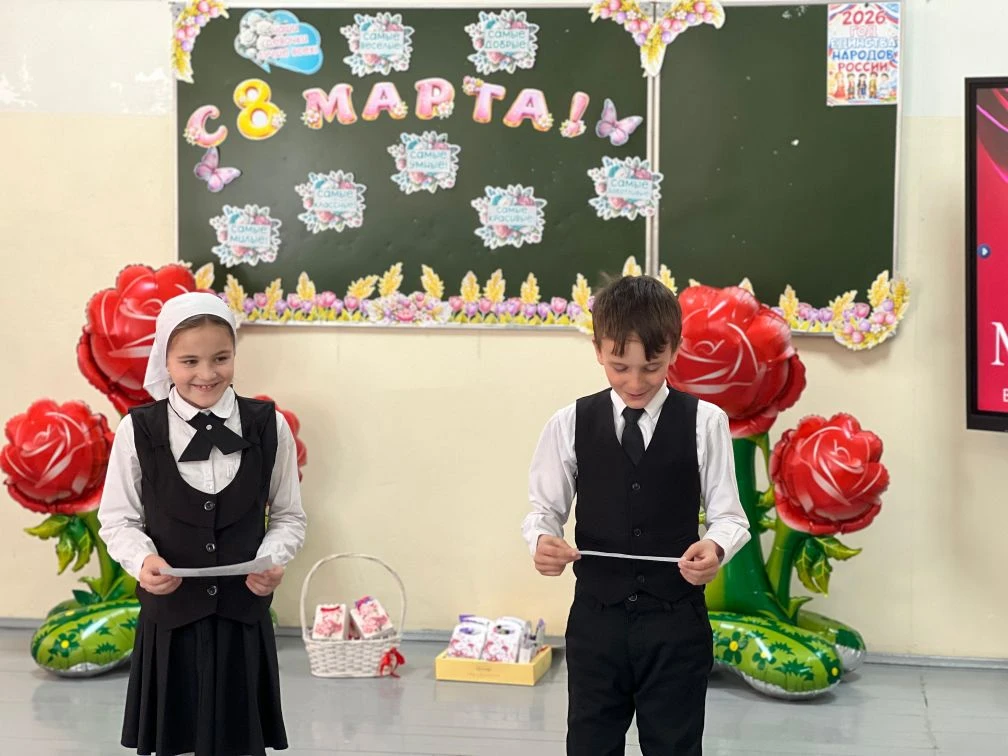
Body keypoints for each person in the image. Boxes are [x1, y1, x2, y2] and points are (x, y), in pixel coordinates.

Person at [521, 275, 750, 756]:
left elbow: (730, 518)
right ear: (598, 350)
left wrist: (715, 547)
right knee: (591, 743)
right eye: (619, 366)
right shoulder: (568, 423)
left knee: (674, 745)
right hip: (596, 622)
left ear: (675, 350)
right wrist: (542, 541)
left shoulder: (706, 422)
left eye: (652, 367)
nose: (635, 382)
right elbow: (544, 511)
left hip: (676, 623)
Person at [98, 292, 307, 756]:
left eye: (221, 358)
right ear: (165, 360)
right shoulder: (139, 430)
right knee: (174, 738)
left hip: (242, 619)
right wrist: (142, 561)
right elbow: (118, 519)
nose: (207, 374)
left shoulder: (268, 426)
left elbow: (288, 516)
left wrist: (272, 558)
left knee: (239, 739)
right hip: (171, 622)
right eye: (189, 361)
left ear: (234, 354)